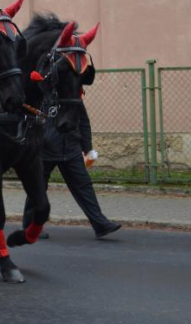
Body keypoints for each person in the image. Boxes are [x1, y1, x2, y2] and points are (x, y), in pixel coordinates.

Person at [23, 102, 122, 239]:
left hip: (71, 149)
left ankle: (101, 225)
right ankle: (30, 227)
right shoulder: (42, 92)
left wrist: (87, 149)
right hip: (45, 150)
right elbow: (28, 118)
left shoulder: (72, 95)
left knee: (84, 185)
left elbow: (84, 122)